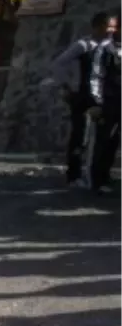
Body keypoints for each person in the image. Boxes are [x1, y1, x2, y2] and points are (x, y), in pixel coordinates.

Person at [43, 11, 118, 187]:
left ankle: (98, 174)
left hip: (102, 96)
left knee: (104, 138)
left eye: (112, 28)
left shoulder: (110, 47)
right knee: (81, 136)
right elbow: (59, 63)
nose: (110, 31)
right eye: (107, 27)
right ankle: (74, 175)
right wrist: (66, 86)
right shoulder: (84, 45)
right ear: (97, 27)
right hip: (83, 96)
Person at [88, 23, 122, 195]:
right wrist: (97, 101)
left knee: (114, 141)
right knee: (104, 140)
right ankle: (97, 179)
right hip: (108, 100)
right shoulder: (105, 49)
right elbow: (96, 75)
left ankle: (107, 176)